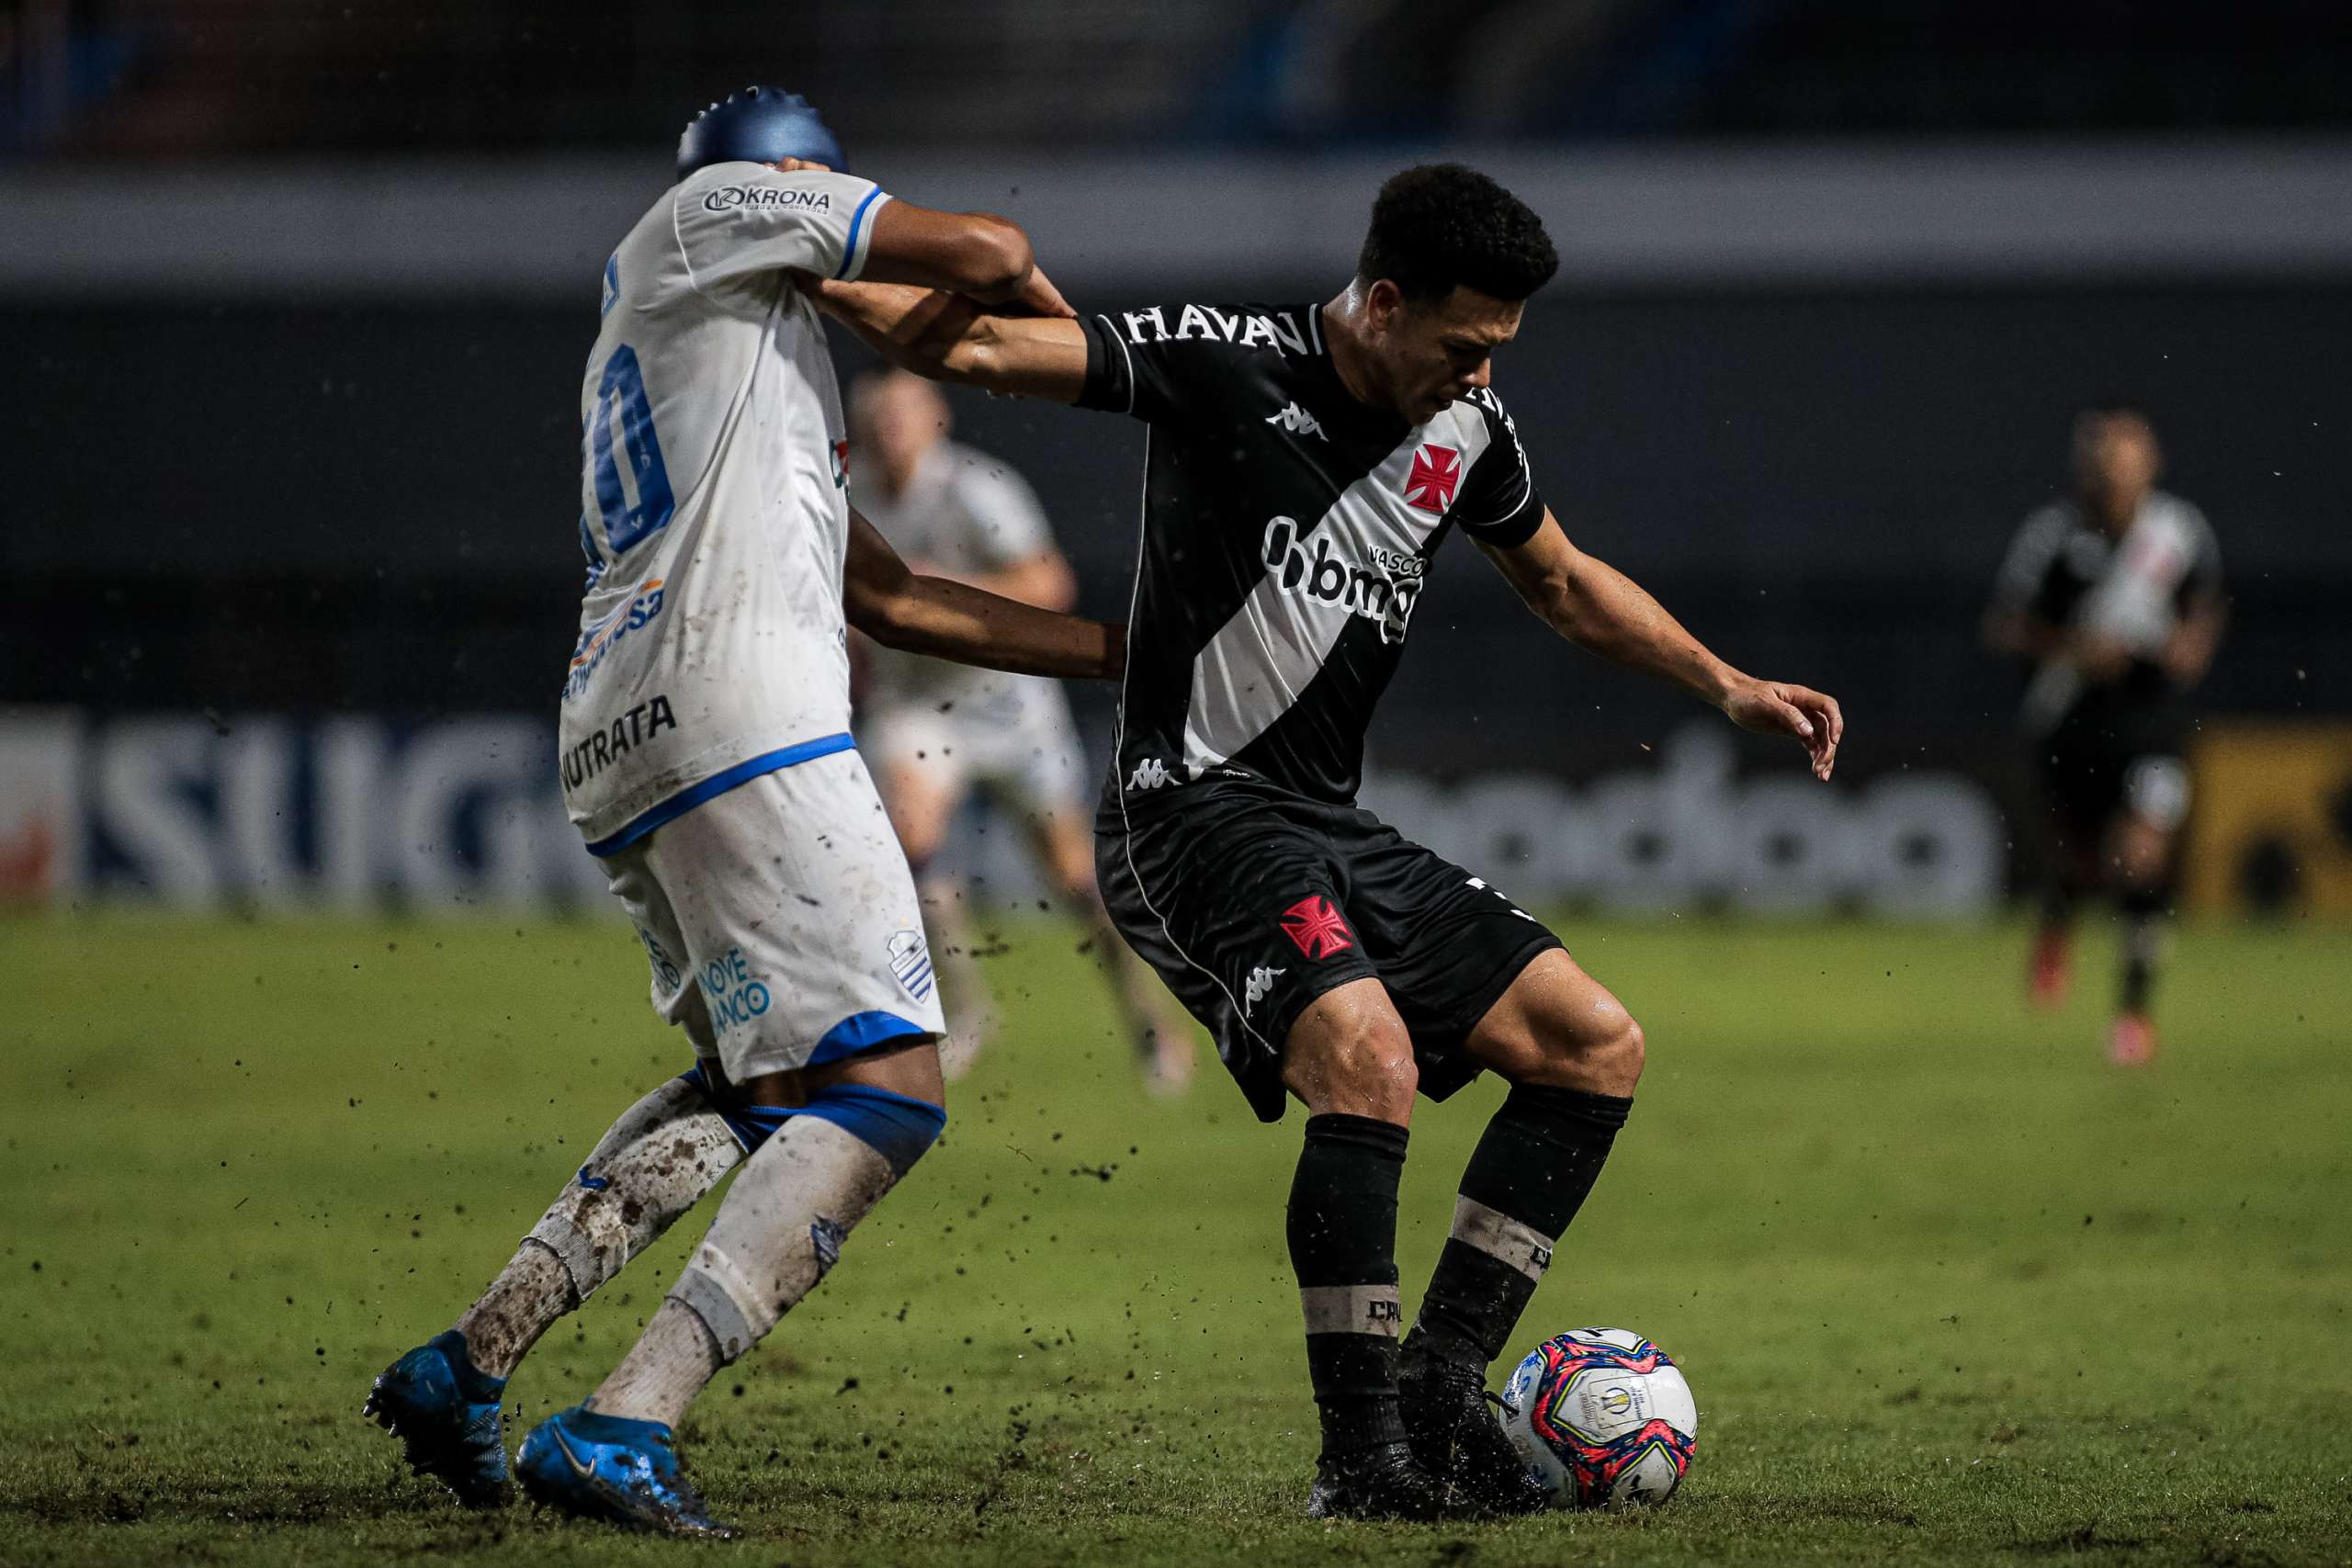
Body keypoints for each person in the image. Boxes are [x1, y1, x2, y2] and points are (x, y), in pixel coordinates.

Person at [815, 163, 1843, 1519]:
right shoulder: (1224, 361)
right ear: (1382, 299)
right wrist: (785, 256)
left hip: (1325, 819)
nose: (1480, 378)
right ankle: (1360, 1461)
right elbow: (983, 342)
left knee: (1593, 1042)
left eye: (1501, 354)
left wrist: (1723, 682)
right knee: (1365, 1056)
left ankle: (1442, 1388)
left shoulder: (1469, 433)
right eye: (1464, 345)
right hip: (1188, 807)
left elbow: (1565, 580)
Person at [363, 89, 1119, 1539]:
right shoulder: (711, 213)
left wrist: (1123, 651)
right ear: (788, 181)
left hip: (632, 725)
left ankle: (470, 1357)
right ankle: (624, 1418)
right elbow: (984, 244)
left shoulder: (736, 374)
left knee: (755, 1082)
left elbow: (894, 598)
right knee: (888, 1090)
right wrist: (1080, 351)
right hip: (740, 713)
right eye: (822, 191)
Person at [847, 369, 1193, 1089]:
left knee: (1075, 879)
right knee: (910, 839)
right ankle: (965, 1010)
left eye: (902, 415)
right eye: (876, 419)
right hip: (915, 703)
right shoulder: (848, 501)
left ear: (934, 419)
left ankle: (1148, 1018)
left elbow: (1049, 585)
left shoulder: (975, 487)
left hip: (1004, 703)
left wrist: (937, 591)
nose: (890, 431)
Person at [1983, 404, 2225, 1065]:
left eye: (2124, 459)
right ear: (2083, 470)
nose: (2112, 474)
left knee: (2142, 853)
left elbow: (2204, 608)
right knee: (2078, 862)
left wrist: (2187, 648)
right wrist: (2073, 647)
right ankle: (2057, 923)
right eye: (2100, 461)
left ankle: (2133, 1014)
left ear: (2151, 463)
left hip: (2149, 722)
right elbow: (2004, 625)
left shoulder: (2178, 532)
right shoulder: (2052, 537)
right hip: (2070, 719)